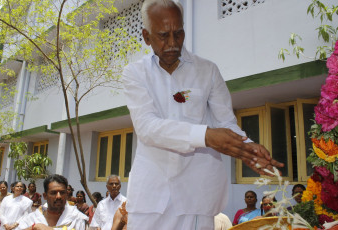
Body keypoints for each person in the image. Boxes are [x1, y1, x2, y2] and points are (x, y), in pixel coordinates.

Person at [122, 0, 284, 229]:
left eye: (178, 34)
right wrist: (206, 136)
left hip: (197, 195)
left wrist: (247, 148)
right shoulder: (134, 74)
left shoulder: (207, 70)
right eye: (163, 35)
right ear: (146, 37)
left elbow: (226, 122)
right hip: (151, 199)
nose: (172, 43)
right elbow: (147, 128)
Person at [17, 174, 88, 230]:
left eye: (62, 192)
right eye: (53, 193)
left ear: (66, 195)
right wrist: (33, 227)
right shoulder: (33, 218)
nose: (58, 196)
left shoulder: (76, 218)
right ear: (45, 196)